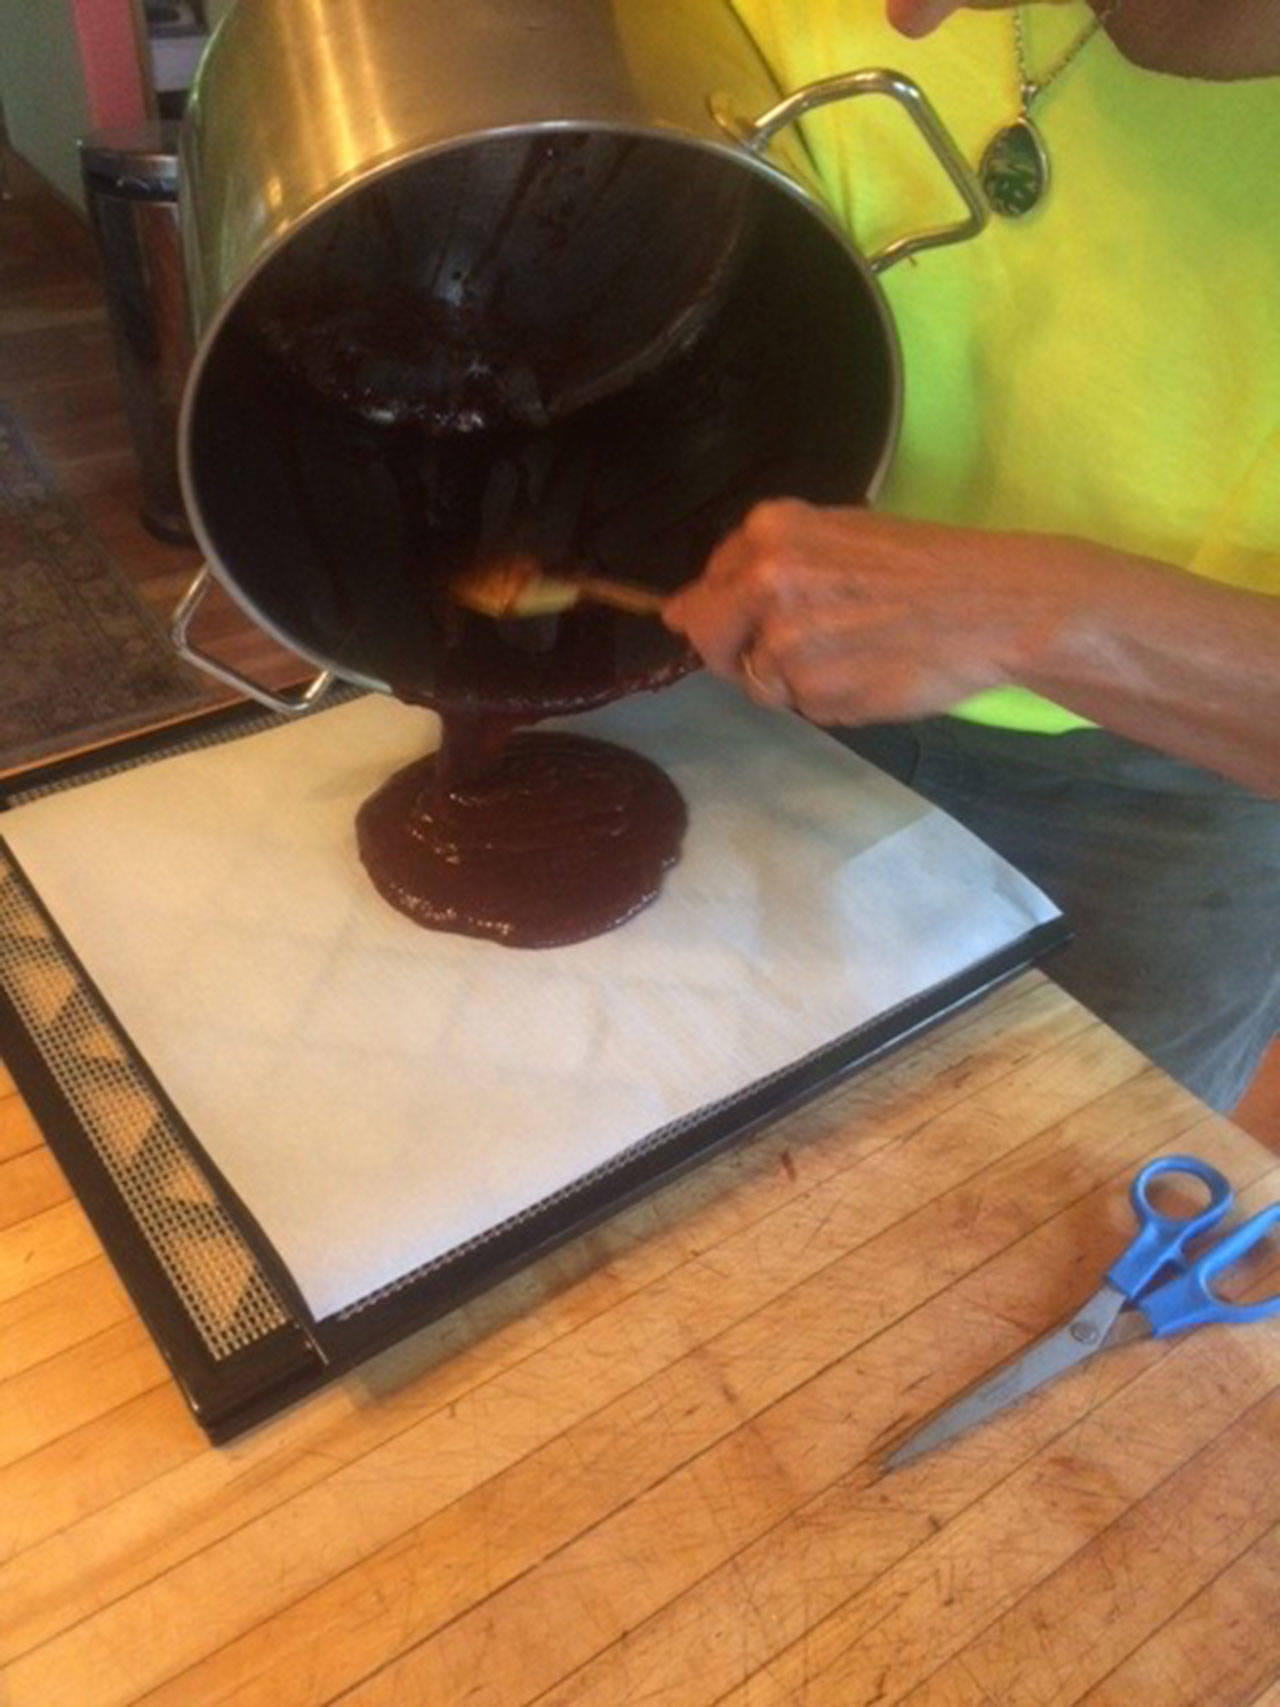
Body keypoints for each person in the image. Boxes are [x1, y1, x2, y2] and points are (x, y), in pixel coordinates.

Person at [662, 0, 1280, 1109]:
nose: (907, 16)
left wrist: (1043, 615)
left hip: (1176, 794)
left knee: (1049, 1231)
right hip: (765, 672)